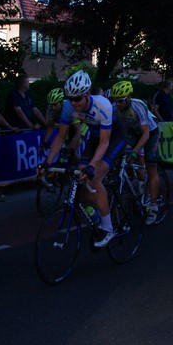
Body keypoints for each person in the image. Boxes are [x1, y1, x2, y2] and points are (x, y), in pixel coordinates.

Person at [38, 70, 128, 248]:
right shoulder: (68, 107)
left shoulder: (102, 105)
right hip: (95, 137)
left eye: (77, 98)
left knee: (94, 178)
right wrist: (48, 162)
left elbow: (105, 142)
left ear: (87, 93)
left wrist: (93, 166)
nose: (73, 103)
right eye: (70, 98)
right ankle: (101, 212)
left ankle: (108, 229)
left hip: (114, 137)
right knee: (81, 182)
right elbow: (60, 136)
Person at [110, 80, 162, 225]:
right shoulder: (114, 108)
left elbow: (146, 134)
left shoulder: (138, 106)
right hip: (133, 132)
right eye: (115, 101)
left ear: (128, 98)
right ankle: (138, 184)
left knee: (151, 167)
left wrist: (135, 151)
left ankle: (153, 206)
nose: (118, 104)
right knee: (124, 159)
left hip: (150, 132)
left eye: (121, 101)